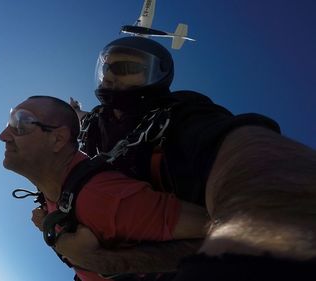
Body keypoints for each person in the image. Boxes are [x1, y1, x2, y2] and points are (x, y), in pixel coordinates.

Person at [64, 36, 316, 279]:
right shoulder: (98, 120)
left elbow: (244, 150)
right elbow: (85, 118)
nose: (109, 75)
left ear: (156, 75)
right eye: (106, 67)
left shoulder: (179, 113)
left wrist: (281, 213)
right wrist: (76, 113)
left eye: (126, 67)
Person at [0, 96, 209, 281]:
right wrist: (47, 224)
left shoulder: (106, 198)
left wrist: (98, 260)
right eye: (10, 121)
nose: (3, 135)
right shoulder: (55, 194)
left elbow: (224, 233)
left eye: (21, 123)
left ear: (58, 139)